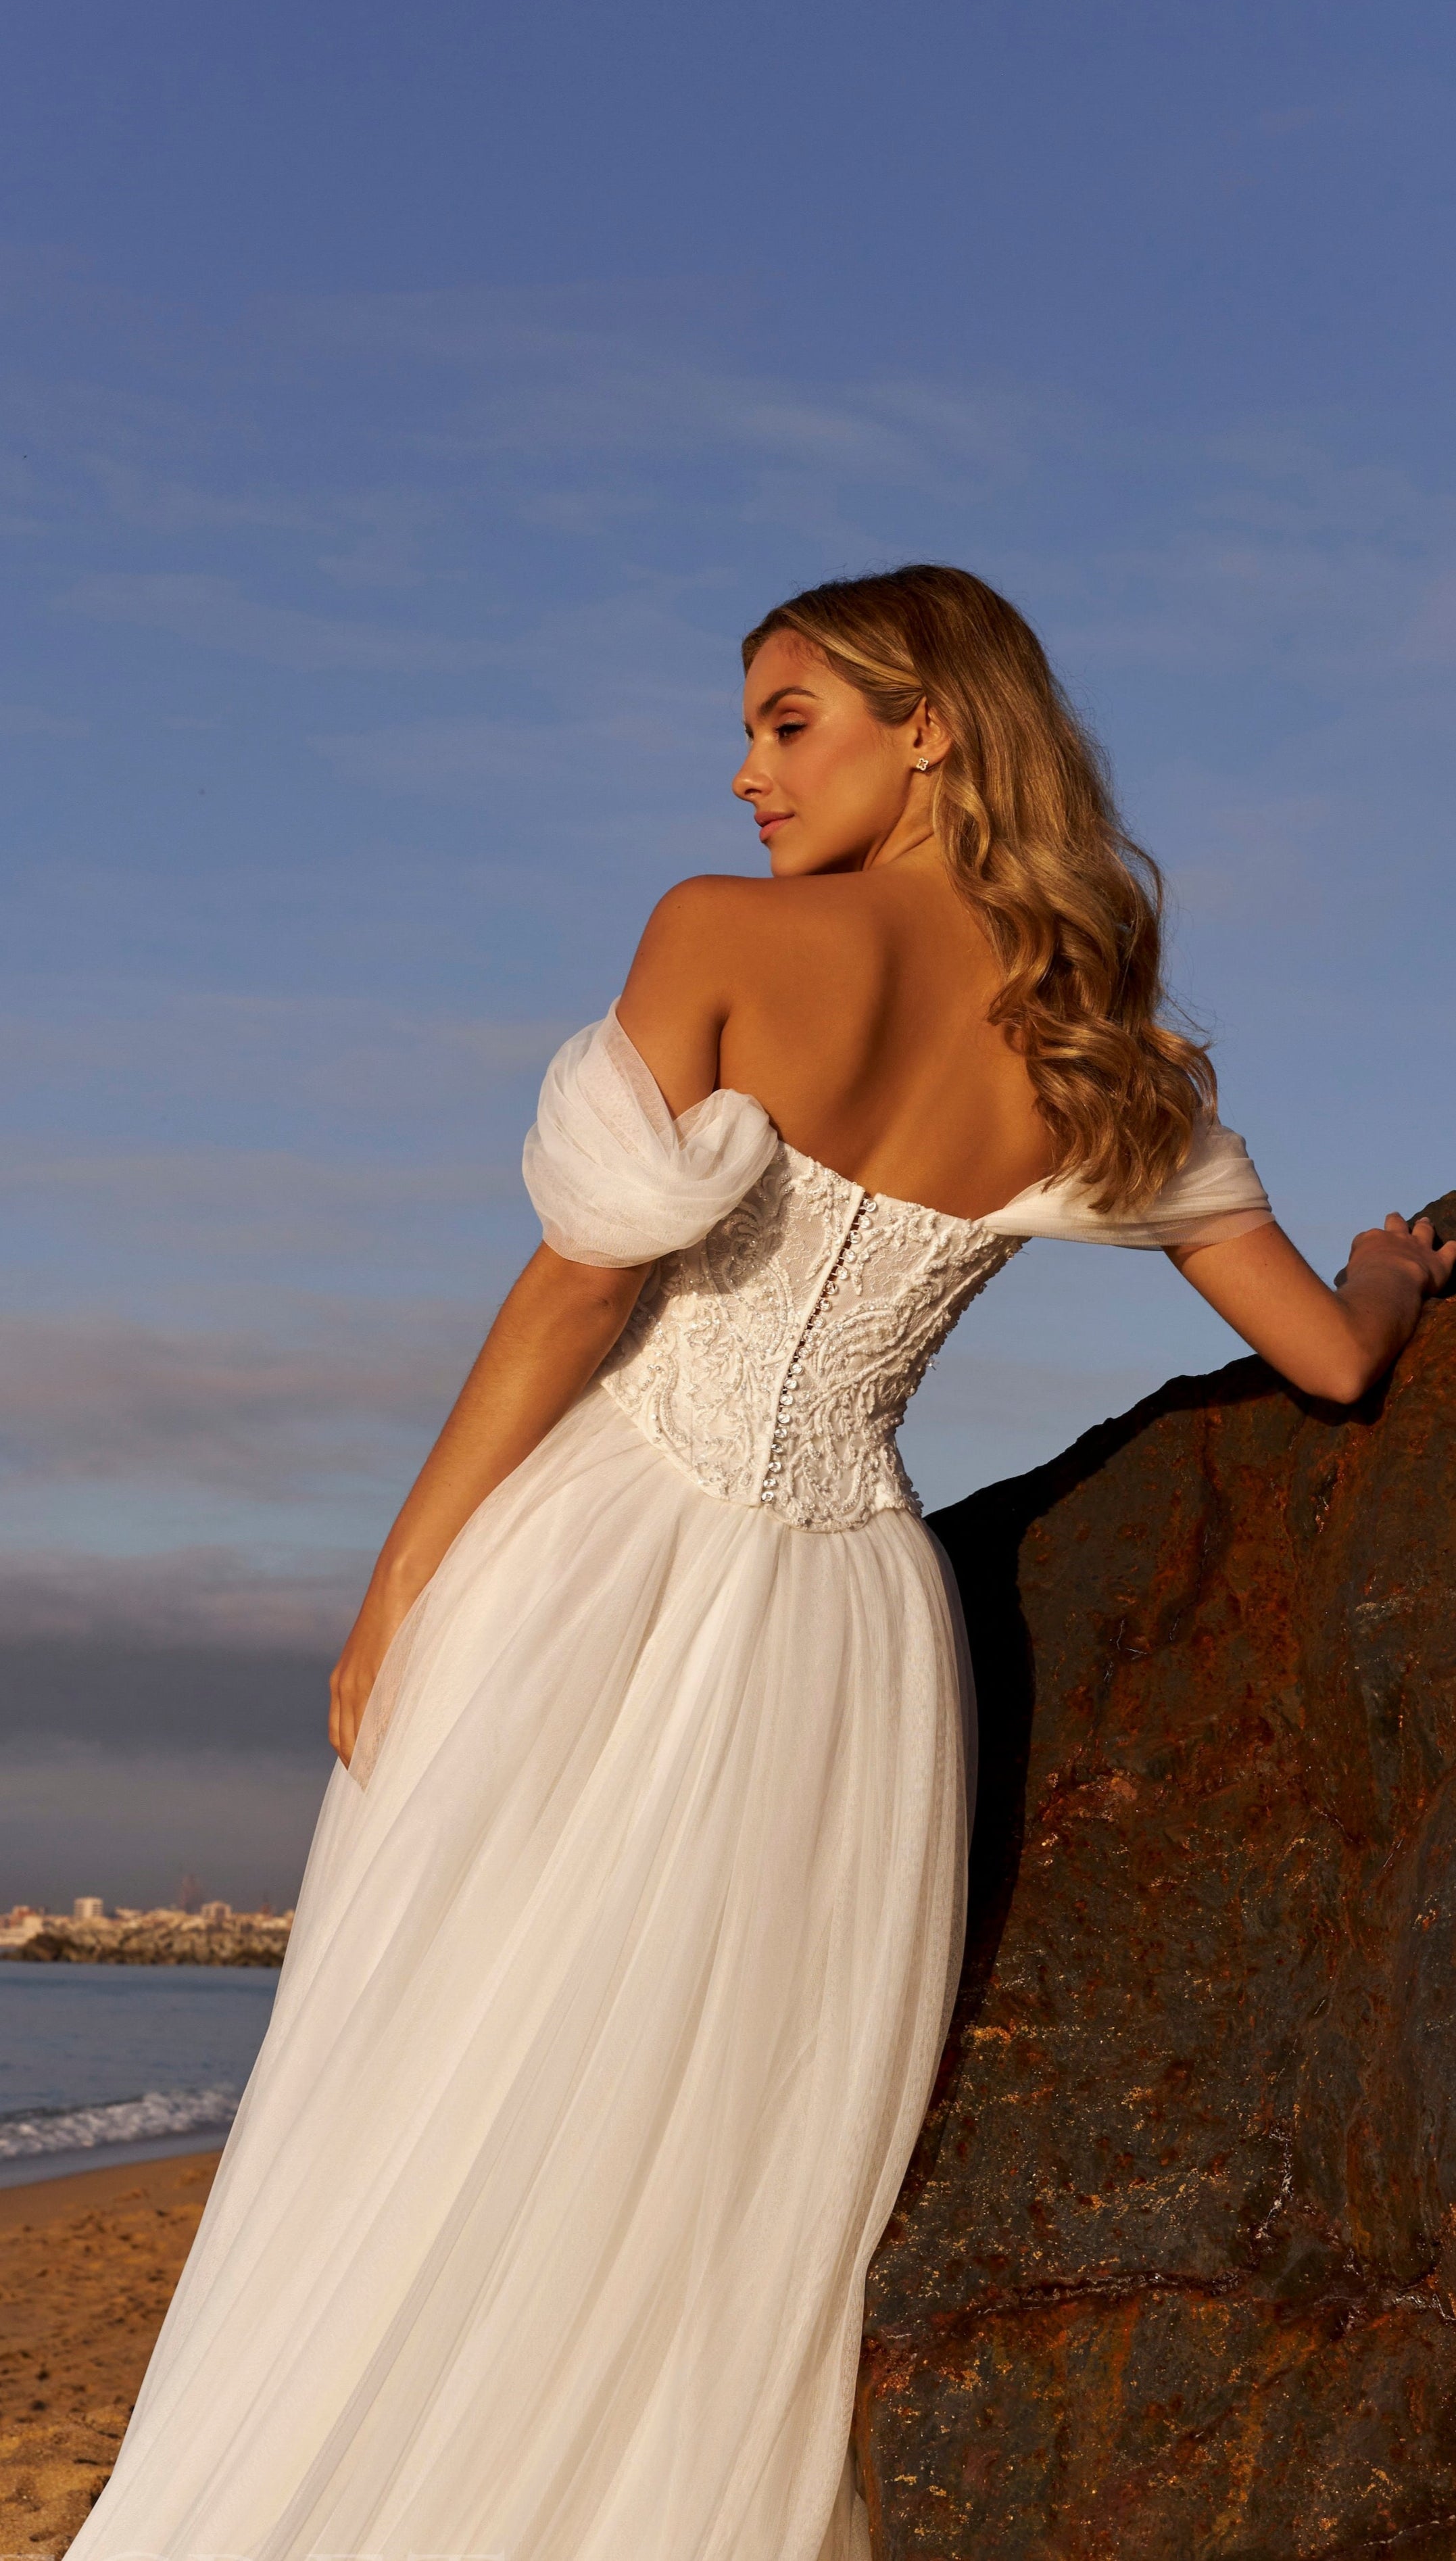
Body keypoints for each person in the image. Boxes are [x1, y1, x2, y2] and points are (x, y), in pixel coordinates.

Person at [68, 567, 1453, 2561]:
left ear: (934, 725)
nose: (740, 775)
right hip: (847, 1637)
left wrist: (401, 1577)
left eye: (786, 721)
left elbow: (569, 1298)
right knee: (720, 2147)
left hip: (601, 1555)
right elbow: (1326, 1361)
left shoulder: (719, 940)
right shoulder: (1100, 1051)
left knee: (438, 2075)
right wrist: (1388, 1273)